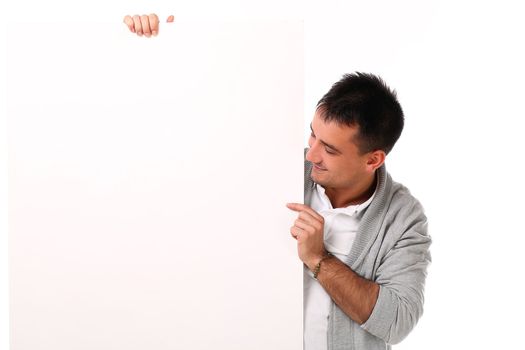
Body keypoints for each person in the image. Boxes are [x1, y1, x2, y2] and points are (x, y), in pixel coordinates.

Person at [123, 15, 432, 350]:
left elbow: (398, 322)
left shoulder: (404, 218)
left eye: (328, 149)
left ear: (373, 159)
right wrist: (156, 43)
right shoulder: (279, 168)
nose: (311, 154)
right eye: (312, 135)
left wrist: (319, 259)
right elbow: (203, 133)